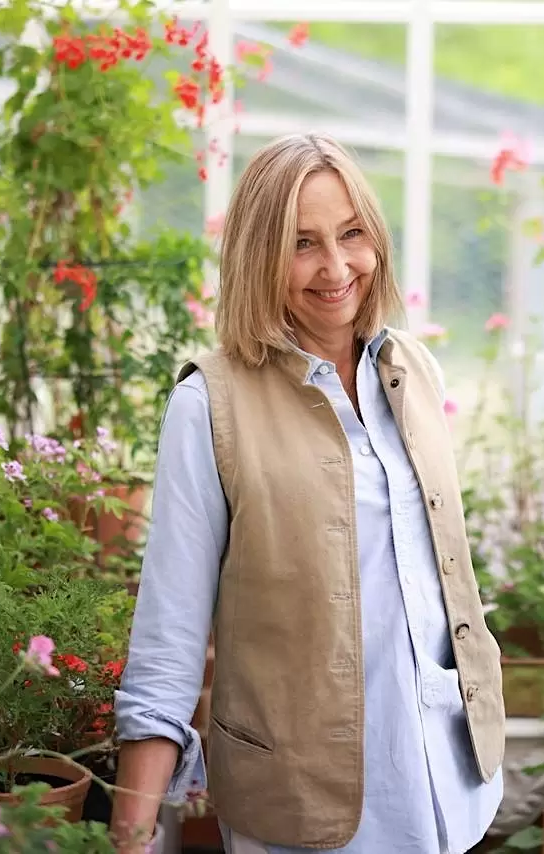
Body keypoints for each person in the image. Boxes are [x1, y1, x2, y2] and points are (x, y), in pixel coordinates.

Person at [110, 133, 505, 854]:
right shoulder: (210, 405)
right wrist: (131, 834)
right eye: (302, 244)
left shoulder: (412, 370)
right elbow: (168, 638)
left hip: (447, 785)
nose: (336, 267)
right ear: (260, 257)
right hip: (302, 810)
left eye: (351, 233)